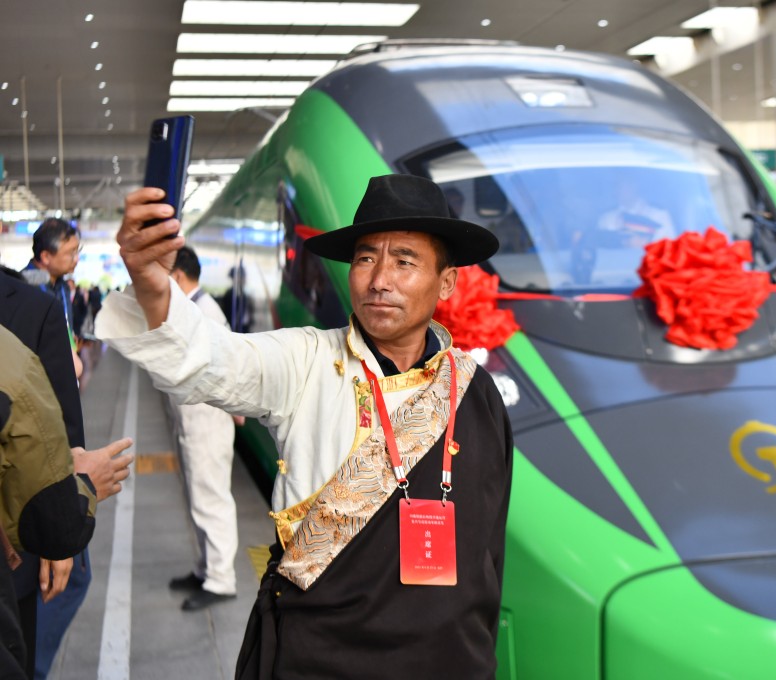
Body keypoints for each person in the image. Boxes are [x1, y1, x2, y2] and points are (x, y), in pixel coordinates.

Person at [96, 174, 514, 679]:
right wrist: (149, 281)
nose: (379, 279)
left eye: (404, 261)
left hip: (444, 662)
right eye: (365, 258)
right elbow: (210, 358)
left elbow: (487, 556)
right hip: (321, 657)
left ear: (446, 282)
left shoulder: (475, 392)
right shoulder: (307, 360)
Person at [0, 270, 134, 679]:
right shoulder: (32, 317)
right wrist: (79, 492)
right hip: (21, 537)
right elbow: (62, 431)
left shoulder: (32, 303)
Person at [165, 246, 240, 611]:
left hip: (207, 422)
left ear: (177, 276)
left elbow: (225, 367)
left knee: (211, 497)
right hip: (194, 420)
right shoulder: (192, 310)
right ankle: (205, 567)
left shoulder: (204, 313)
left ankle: (221, 579)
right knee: (198, 496)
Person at [21, 218, 80, 329]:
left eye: (78, 251)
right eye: (71, 253)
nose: (76, 259)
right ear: (46, 257)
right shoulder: (23, 290)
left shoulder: (62, 287)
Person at [216, 265, 252, 333]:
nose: (245, 279)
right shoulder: (230, 294)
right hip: (234, 330)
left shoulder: (242, 293)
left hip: (243, 329)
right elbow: (228, 315)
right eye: (243, 277)